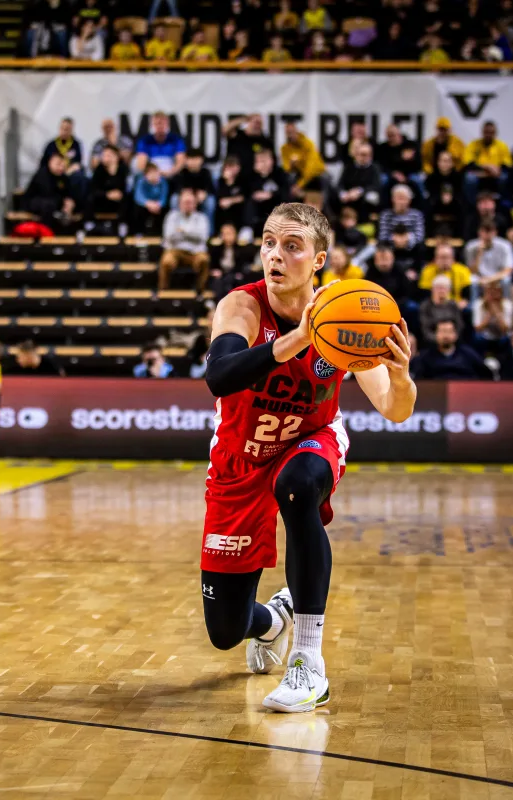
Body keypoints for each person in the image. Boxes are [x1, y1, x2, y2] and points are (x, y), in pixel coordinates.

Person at [203, 202, 415, 713]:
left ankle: (307, 663)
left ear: (318, 259)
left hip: (310, 440)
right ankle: (273, 621)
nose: (275, 255)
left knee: (297, 485)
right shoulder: (242, 306)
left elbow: (394, 408)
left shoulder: (343, 313)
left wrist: (404, 377)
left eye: (292, 246)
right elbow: (220, 375)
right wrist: (298, 339)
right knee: (225, 630)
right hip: (240, 460)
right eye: (269, 242)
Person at [159, 190, 211, 291]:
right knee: (166, 261)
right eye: (184, 202)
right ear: (179, 204)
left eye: (190, 202)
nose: (187, 205)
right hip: (174, 251)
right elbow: (169, 236)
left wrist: (182, 231)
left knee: (204, 260)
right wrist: (192, 234)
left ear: (195, 204)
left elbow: (202, 237)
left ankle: (200, 292)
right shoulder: (171, 217)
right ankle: (163, 292)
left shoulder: (202, 218)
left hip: (196, 252)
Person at [411, 319, 492, 379]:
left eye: (449, 331)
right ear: (436, 335)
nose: (446, 335)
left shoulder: (468, 354)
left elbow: (486, 374)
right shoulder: (425, 357)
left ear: (456, 335)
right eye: (442, 331)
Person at [418, 274, 464, 344]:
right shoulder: (426, 306)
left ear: (449, 290)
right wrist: (439, 339)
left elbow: (459, 325)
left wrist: (453, 337)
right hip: (432, 342)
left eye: (444, 288)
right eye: (438, 288)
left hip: (453, 341)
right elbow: (425, 329)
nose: (441, 291)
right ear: (432, 289)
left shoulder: (453, 305)